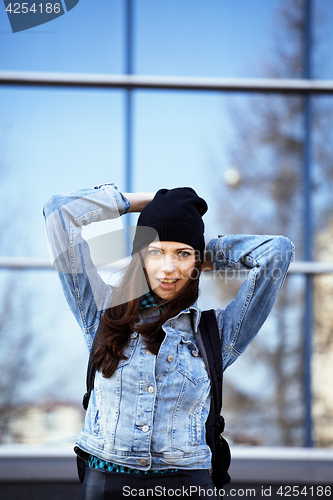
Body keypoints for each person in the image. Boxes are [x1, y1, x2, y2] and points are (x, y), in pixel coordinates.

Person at [43, 183, 294, 499]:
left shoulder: (215, 333)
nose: (169, 268)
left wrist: (201, 250)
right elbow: (59, 212)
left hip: (186, 484)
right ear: (140, 256)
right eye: (155, 251)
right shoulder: (100, 313)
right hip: (107, 483)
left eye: (182, 254)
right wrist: (146, 203)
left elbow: (277, 252)